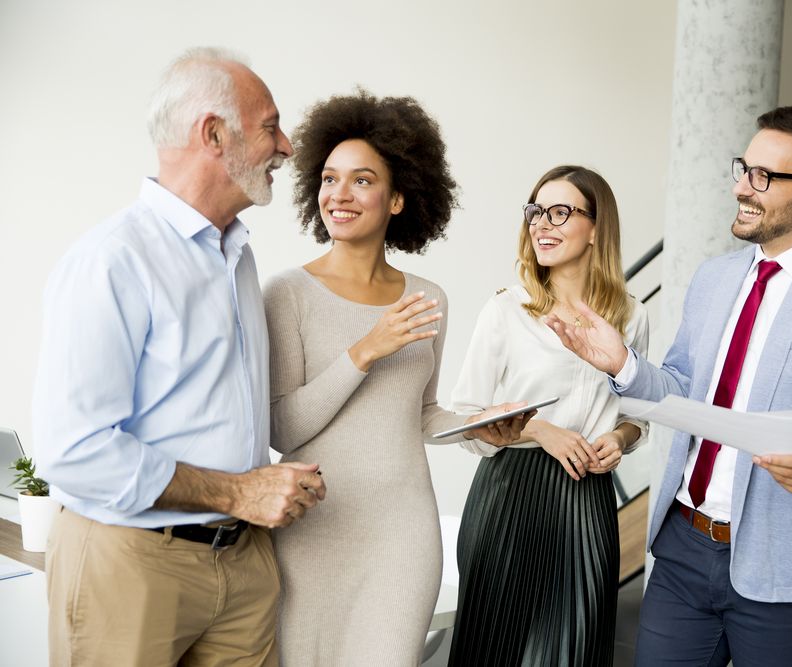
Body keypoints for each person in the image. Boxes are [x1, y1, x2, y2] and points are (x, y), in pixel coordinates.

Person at [548, 105, 792, 665]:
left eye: (764, 177)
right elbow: (679, 387)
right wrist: (623, 363)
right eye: (743, 169)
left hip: (784, 567)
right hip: (681, 546)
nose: (741, 188)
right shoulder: (714, 277)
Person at [33, 48, 326, 666]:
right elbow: (74, 450)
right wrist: (235, 493)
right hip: (131, 563)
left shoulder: (239, 255)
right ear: (214, 134)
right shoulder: (111, 261)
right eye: (271, 125)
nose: (289, 145)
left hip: (245, 564)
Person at [264, 91, 532, 666]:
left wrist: (479, 427)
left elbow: (422, 413)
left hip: (401, 535)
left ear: (399, 198)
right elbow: (283, 428)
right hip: (311, 530)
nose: (339, 194)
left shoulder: (426, 298)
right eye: (330, 178)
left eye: (362, 180)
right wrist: (365, 351)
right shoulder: (286, 294)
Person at [447, 166, 649, 666]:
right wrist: (539, 428)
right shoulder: (506, 310)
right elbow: (465, 418)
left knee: (575, 649)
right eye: (536, 211)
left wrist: (619, 439)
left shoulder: (631, 315)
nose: (542, 224)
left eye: (560, 212)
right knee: (495, 648)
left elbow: (639, 416)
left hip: (586, 496)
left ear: (597, 228)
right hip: (509, 494)